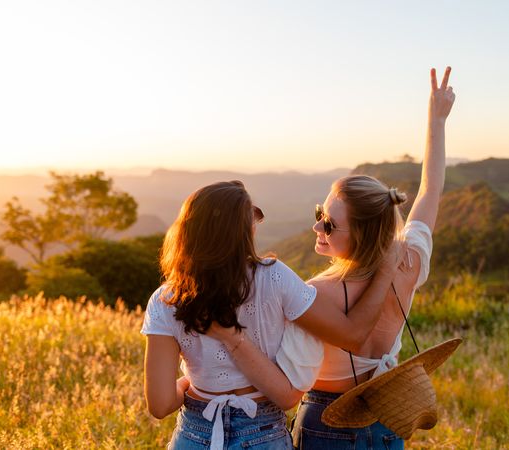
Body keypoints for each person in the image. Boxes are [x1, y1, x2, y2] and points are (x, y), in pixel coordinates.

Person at [206, 67, 456, 449]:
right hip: (388, 414)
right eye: (320, 213)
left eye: (329, 225)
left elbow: (283, 381)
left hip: (327, 422)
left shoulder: (314, 295)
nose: (317, 228)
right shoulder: (408, 264)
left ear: (362, 235)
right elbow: (430, 191)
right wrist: (436, 120)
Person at [140, 180, 403, 449]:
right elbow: (353, 336)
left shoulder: (164, 301)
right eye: (252, 216)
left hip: (194, 433)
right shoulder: (275, 277)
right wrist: (385, 270)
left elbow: (160, 405)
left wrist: (187, 384)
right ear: (242, 230)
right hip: (263, 433)